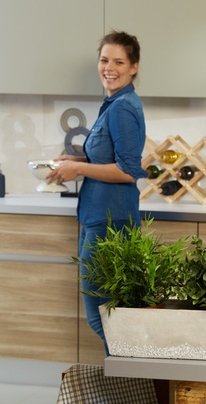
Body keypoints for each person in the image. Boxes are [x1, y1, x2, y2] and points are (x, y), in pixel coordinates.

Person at [47, 31, 148, 352]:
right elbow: (111, 159)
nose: (109, 67)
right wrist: (75, 159)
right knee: (109, 318)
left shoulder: (121, 108)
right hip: (99, 220)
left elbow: (128, 172)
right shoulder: (115, 103)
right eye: (105, 60)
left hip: (110, 224)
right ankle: (137, 387)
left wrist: (78, 169)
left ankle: (138, 387)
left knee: (102, 319)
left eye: (119, 61)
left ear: (134, 67)